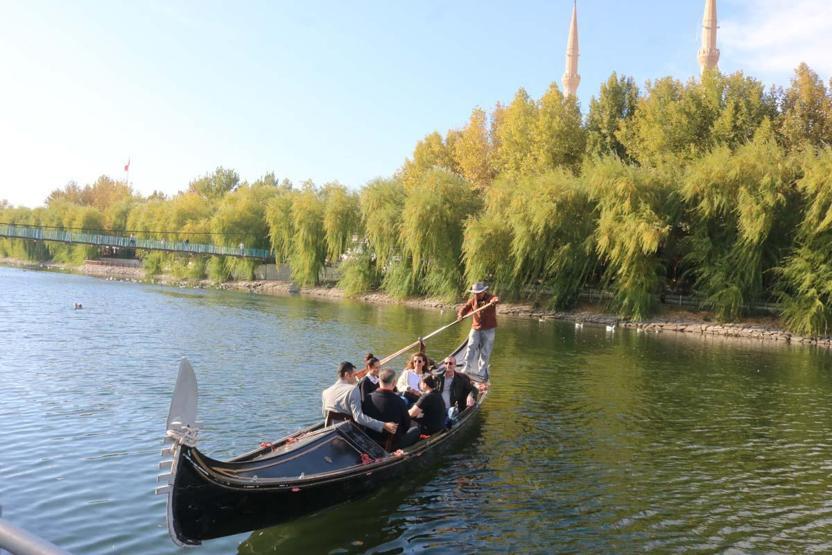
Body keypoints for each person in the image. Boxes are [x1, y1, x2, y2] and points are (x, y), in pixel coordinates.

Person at [321, 362, 398, 436]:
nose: (356, 378)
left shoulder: (325, 392)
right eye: (354, 375)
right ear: (347, 375)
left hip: (330, 433)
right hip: (348, 433)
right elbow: (359, 417)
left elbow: (325, 415)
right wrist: (383, 425)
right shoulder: (353, 389)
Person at [364, 368, 420, 450]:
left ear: (379, 381)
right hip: (391, 444)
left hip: (372, 440)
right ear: (394, 382)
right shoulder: (399, 401)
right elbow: (406, 426)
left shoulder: (368, 397)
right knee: (416, 429)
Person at [457, 282, 499, 380]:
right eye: (475, 293)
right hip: (475, 328)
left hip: (489, 329)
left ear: (484, 291)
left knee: (485, 350)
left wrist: (494, 301)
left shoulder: (490, 298)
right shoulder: (473, 300)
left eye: (479, 292)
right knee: (471, 346)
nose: (476, 294)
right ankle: (467, 366)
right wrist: (460, 315)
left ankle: (482, 370)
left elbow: (496, 299)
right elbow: (465, 308)